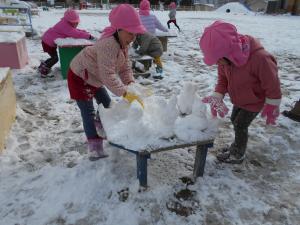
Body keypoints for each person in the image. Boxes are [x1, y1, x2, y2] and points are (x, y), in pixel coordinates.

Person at [67, 4, 146, 160]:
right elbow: (108, 75)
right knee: (88, 111)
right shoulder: (108, 45)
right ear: (118, 29)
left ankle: (100, 123)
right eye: (131, 33)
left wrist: (130, 83)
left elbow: (124, 67)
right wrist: (124, 93)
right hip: (80, 77)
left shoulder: (123, 44)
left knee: (106, 104)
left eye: (135, 34)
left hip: (94, 77)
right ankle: (95, 147)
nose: (133, 37)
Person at [199, 21, 282, 164]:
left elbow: (272, 84)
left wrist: (272, 105)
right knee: (234, 120)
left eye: (218, 59)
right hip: (239, 99)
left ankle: (238, 153)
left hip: (254, 100)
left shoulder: (260, 59)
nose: (217, 63)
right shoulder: (224, 61)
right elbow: (223, 80)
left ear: (230, 52)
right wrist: (218, 95)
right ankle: (236, 146)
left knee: (240, 124)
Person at [38, 9, 94, 78]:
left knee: (53, 57)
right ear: (69, 21)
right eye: (74, 22)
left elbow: (74, 30)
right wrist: (89, 36)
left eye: (76, 22)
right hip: (48, 43)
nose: (76, 24)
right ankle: (43, 70)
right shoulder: (64, 26)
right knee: (55, 58)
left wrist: (83, 32)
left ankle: (42, 66)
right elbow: (75, 33)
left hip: (47, 40)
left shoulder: (64, 23)